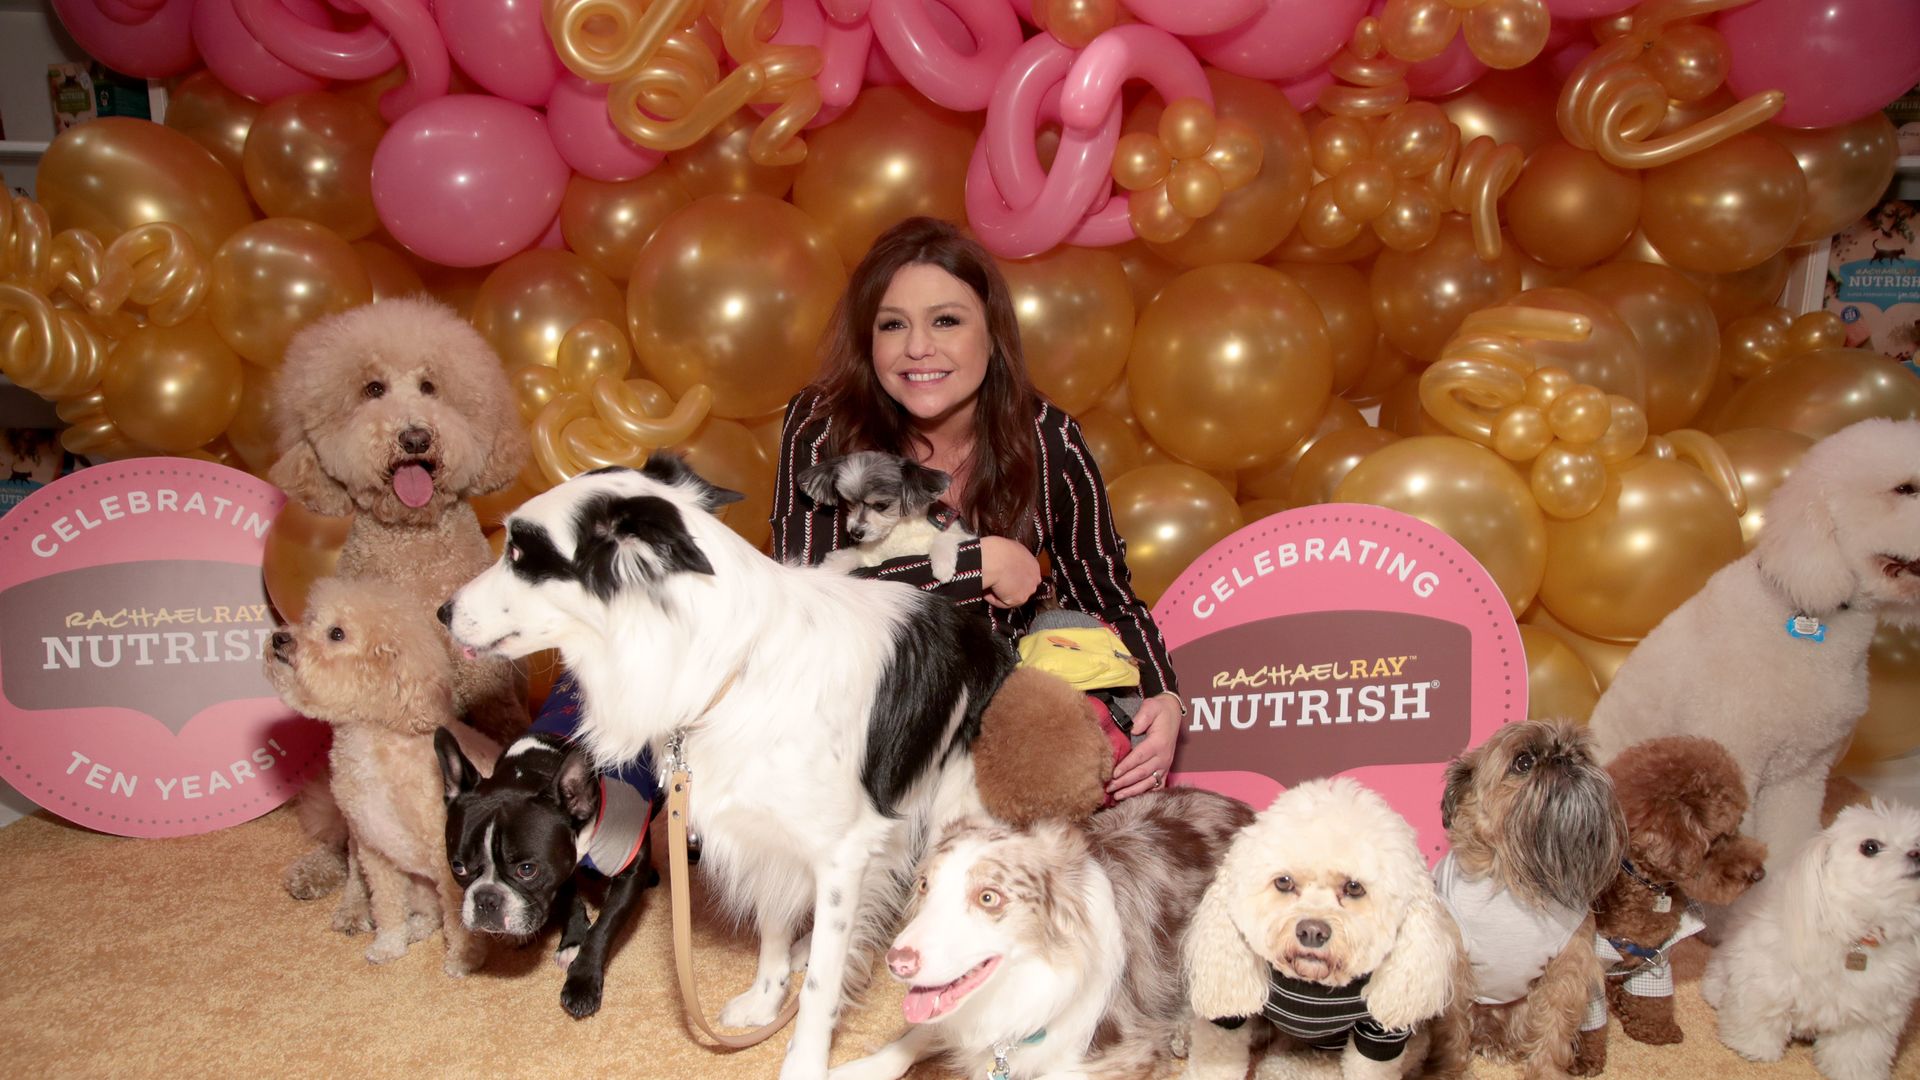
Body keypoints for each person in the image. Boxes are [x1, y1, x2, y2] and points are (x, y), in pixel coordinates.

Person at [771, 216, 1181, 801]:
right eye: (893, 325)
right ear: (869, 340)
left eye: (946, 320)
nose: (918, 348)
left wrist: (1164, 699)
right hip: (852, 731)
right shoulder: (822, 427)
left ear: (992, 332)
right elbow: (803, 601)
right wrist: (976, 565)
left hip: (1001, 743)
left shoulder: (1048, 438)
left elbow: (1106, 597)